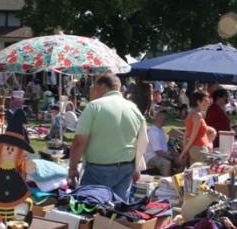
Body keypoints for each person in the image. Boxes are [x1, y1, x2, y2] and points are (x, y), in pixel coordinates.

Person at [69, 73, 146, 202]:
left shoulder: (94, 106)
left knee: (89, 210)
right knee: (117, 214)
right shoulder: (134, 109)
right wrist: (137, 167)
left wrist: (72, 167)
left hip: (99, 169)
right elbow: (141, 142)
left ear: (103, 87)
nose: (94, 91)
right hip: (126, 167)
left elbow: (79, 141)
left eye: (95, 88)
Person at [180, 91, 211, 167]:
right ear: (198, 102)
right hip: (199, 149)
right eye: (205, 101)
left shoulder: (190, 114)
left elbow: (186, 136)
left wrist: (185, 151)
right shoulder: (197, 115)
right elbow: (193, 136)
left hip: (194, 150)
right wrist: (184, 153)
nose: (208, 103)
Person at [145, 112, 177, 176]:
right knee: (166, 163)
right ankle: (166, 183)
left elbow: (164, 144)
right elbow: (158, 152)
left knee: (182, 159)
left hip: (160, 154)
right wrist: (172, 158)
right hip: (152, 157)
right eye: (166, 119)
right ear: (162, 120)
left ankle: (175, 180)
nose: (166, 121)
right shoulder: (154, 133)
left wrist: (174, 152)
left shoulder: (159, 129)